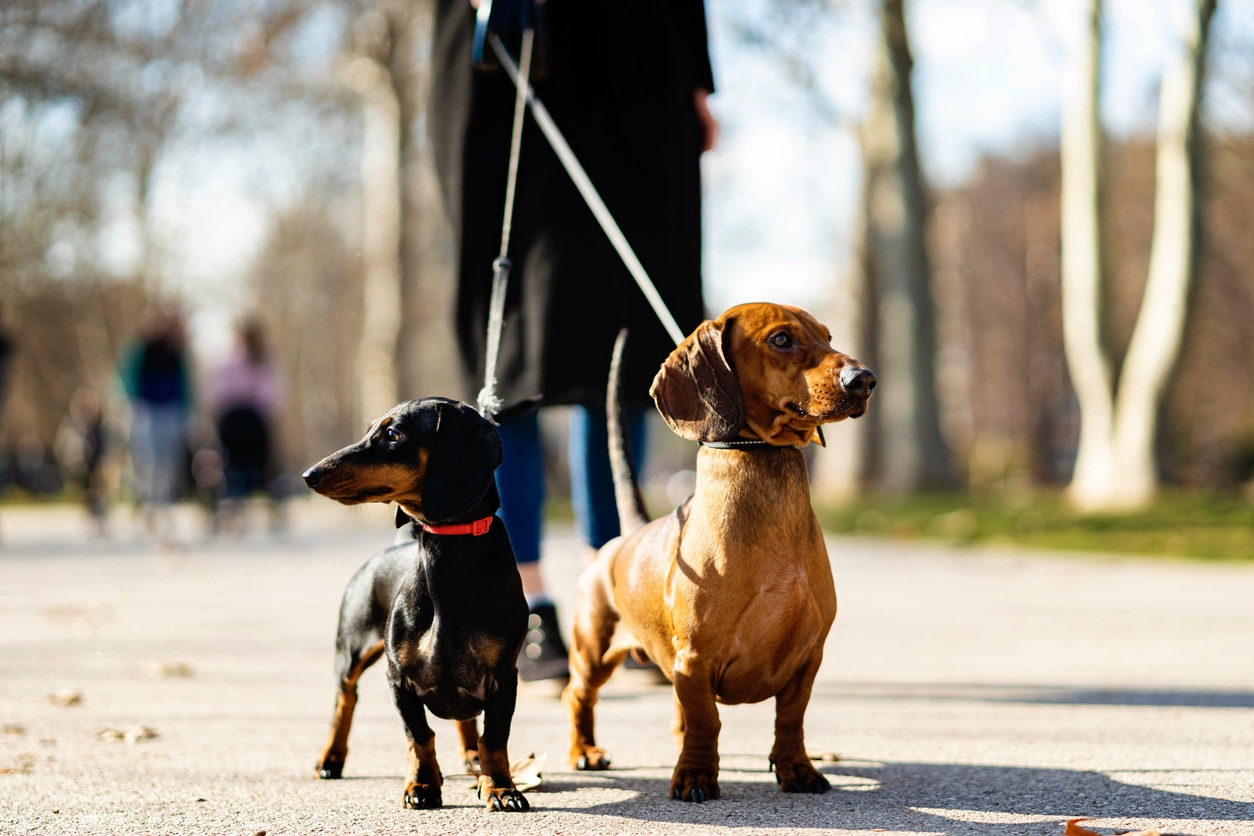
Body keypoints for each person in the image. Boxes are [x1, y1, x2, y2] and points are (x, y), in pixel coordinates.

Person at [429, 0, 718, 683]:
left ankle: (616, 592)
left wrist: (697, 77)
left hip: (633, 58)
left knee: (622, 341)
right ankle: (525, 603)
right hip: (504, 47)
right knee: (510, 341)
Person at [120, 306, 193, 540]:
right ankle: (149, 508)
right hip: (147, 411)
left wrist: (185, 412)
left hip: (170, 411)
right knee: (148, 463)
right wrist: (133, 406)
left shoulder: (175, 353)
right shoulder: (142, 350)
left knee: (169, 463)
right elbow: (127, 379)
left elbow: (184, 385)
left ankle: (166, 507)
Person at [205, 317, 283, 534]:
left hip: (245, 421)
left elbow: (218, 394)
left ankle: (239, 510)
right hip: (242, 420)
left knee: (240, 468)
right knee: (243, 468)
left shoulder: (258, 361)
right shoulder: (236, 362)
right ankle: (238, 511)